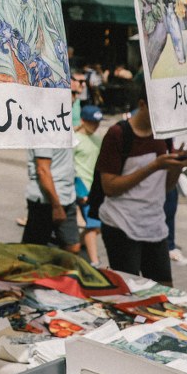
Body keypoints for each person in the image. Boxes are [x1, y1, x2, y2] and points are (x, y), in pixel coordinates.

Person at [93, 83, 187, 285]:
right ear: (142, 104)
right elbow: (109, 187)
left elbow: (165, 187)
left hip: (154, 225)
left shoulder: (164, 136)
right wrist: (154, 166)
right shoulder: (118, 134)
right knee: (129, 290)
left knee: (164, 289)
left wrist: (178, 164)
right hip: (121, 224)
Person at [22, 147, 81, 254]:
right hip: (47, 200)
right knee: (34, 251)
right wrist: (56, 206)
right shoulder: (46, 133)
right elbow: (43, 170)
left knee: (72, 246)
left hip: (66, 195)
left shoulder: (63, 131)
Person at [74, 104, 104, 266]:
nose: (96, 126)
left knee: (98, 226)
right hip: (82, 187)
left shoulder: (97, 139)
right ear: (83, 120)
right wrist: (78, 191)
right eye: (93, 122)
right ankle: (94, 262)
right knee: (93, 226)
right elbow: (70, 167)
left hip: (95, 188)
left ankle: (76, 245)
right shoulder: (75, 140)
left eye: (98, 122)